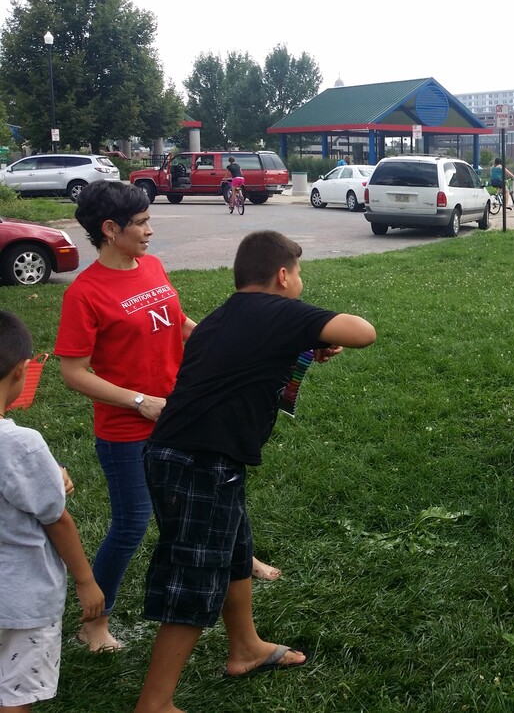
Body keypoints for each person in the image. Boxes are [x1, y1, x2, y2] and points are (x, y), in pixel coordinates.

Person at [132, 230, 376, 713]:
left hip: (189, 455)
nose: (300, 281)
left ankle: (245, 648)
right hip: (199, 460)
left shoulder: (224, 316)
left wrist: (307, 344)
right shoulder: (279, 312)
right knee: (195, 574)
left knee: (235, 549)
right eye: (299, 273)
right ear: (283, 276)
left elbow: (251, 357)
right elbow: (362, 331)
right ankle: (154, 703)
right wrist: (315, 331)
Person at [54, 183, 278, 654]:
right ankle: (94, 621)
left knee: (217, 491)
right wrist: (139, 401)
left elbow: (176, 321)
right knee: (133, 522)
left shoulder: (151, 266)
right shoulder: (85, 293)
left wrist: (225, 345)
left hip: (181, 414)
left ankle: (241, 558)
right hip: (127, 430)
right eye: (141, 223)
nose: (150, 231)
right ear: (110, 230)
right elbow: (73, 372)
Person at [0, 310, 105, 712]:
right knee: (16, 697)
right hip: (24, 601)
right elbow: (56, 518)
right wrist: (85, 581)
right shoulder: (22, 445)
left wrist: (46, 475)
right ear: (20, 371)